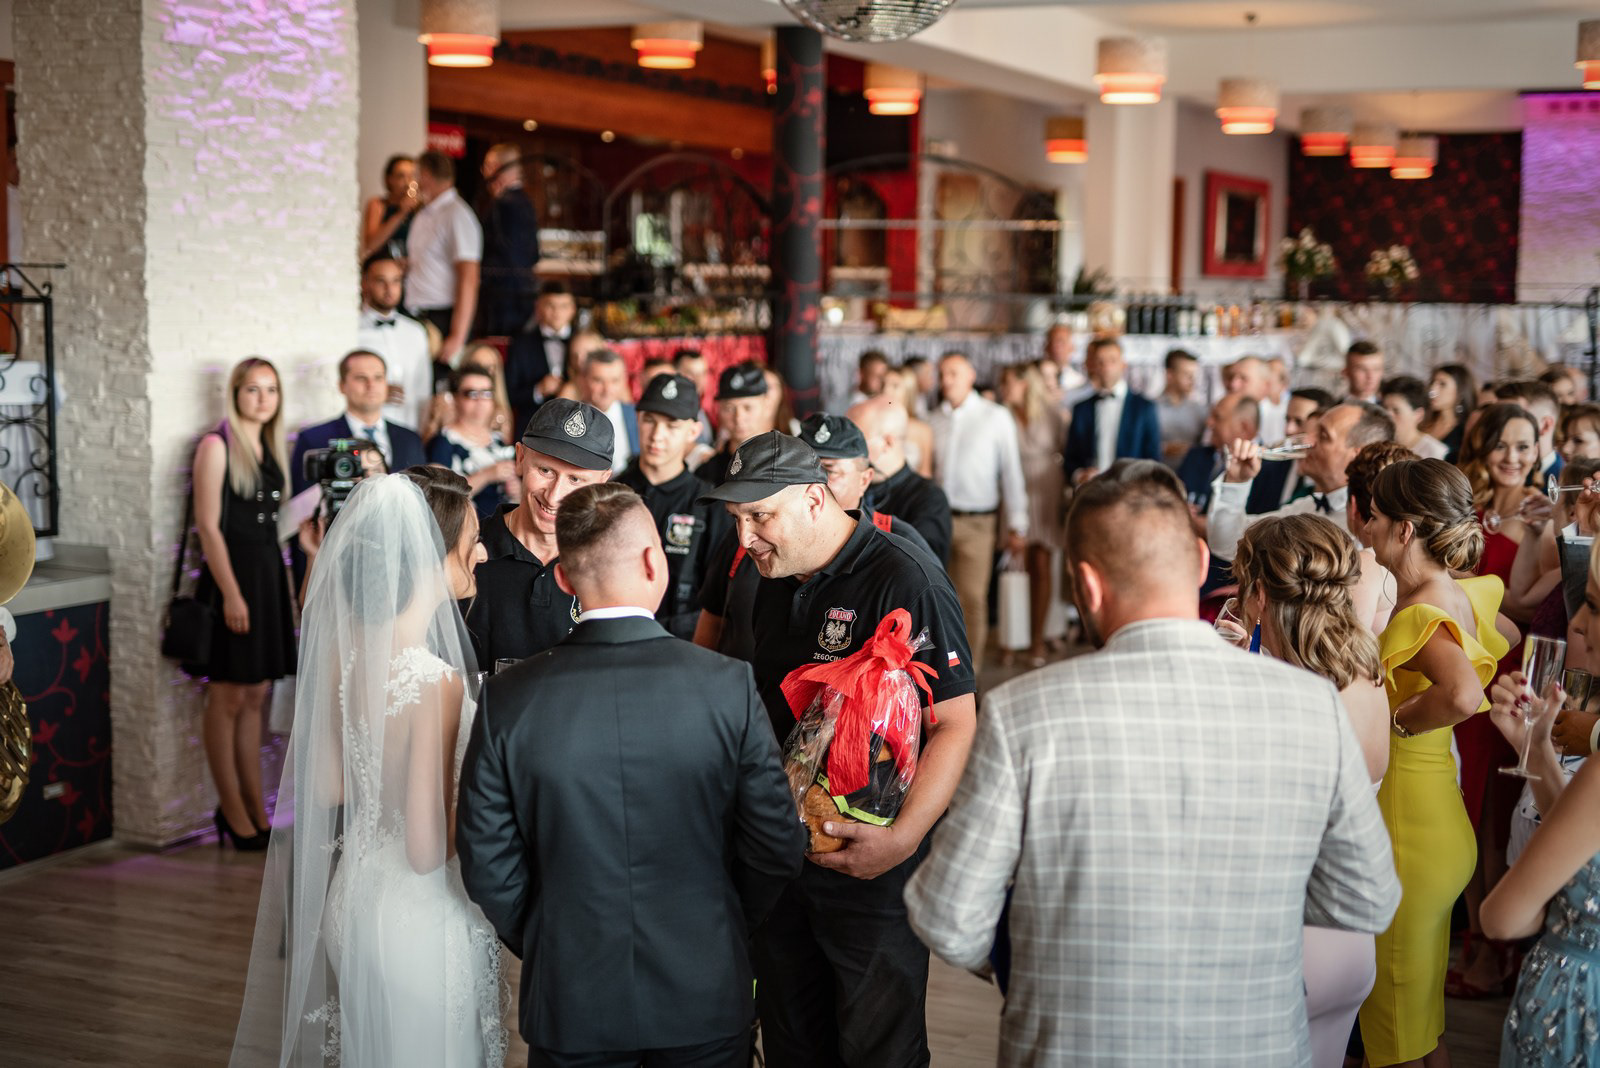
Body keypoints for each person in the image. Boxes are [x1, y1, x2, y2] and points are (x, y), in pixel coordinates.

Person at [904, 461, 1400, 1067]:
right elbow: (1368, 898)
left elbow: (948, 917)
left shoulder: (1021, 713)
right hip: (1254, 1044)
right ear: (1201, 562)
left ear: (1086, 587)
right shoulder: (1312, 706)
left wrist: (1033, 954)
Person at [456, 482, 804, 1068]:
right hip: (703, 987)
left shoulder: (507, 698)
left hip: (572, 992)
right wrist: (718, 922)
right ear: (653, 562)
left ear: (563, 579)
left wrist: (548, 934)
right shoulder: (727, 687)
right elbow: (776, 843)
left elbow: (487, 861)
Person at [699, 431, 977, 1068]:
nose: (745, 538)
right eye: (737, 519)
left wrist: (902, 840)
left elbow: (956, 725)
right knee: (793, 1041)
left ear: (815, 499)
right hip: (782, 858)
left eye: (760, 516)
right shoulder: (774, 574)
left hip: (872, 868)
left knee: (880, 1048)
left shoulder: (905, 578)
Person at [230, 467, 502, 1068]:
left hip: (354, 895)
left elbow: (328, 786)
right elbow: (426, 851)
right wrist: (494, 808)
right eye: (473, 540)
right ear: (430, 553)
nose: (482, 553)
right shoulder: (436, 682)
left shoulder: (347, 653)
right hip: (417, 912)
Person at [1358, 458, 1515, 1068]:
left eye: (1374, 516)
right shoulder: (1460, 591)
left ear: (1404, 530)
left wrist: (1398, 722)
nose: (1365, 528)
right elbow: (1505, 633)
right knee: (1420, 1030)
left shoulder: (1422, 611)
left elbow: (1463, 695)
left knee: (1394, 1038)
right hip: (1440, 823)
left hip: (1407, 836)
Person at [1231, 514, 1390, 1068]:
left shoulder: (1280, 696)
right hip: (1350, 939)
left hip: (1285, 938)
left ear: (1258, 596)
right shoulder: (1367, 671)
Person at [1481, 539, 1600, 1067]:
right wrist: (1535, 749)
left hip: (1576, 1007)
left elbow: (1503, 920)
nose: (1579, 624)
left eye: (1592, 605)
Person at [1453, 401, 1544, 996]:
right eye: (1501, 444)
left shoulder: (1541, 513)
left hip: (1510, 671)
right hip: (1464, 664)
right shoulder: (1469, 508)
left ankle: (1495, 954)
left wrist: (1468, 586)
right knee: (1467, 807)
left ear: (1538, 450)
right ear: (1482, 448)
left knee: (1494, 815)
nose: (1512, 456)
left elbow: (1531, 605)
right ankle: (1473, 938)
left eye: (1524, 445)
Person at [190, 357, 296, 851]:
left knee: (256, 695)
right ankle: (232, 812)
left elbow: (271, 524)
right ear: (235, 393)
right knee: (227, 697)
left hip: (266, 578)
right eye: (253, 389)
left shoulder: (271, 447)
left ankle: (256, 808)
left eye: (271, 389)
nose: (262, 398)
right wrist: (231, 593)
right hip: (233, 581)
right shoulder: (216, 446)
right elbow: (208, 527)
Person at [465, 398, 613, 666]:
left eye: (575, 479)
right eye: (545, 470)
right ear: (520, 458)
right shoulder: (466, 552)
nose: (554, 496)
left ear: (602, 483)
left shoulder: (610, 563)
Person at [930, 352, 1029, 671]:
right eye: (942, 374)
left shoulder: (995, 416)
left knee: (972, 599)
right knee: (937, 598)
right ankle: (942, 672)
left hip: (979, 522)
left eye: (954, 373)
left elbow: (1011, 473)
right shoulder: (934, 419)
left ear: (971, 375)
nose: (946, 380)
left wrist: (1018, 524)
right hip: (938, 521)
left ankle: (968, 677)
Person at [615, 373, 729, 639]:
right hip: (616, 637)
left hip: (683, 642)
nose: (657, 435)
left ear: (693, 431)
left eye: (672, 425)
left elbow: (719, 600)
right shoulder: (611, 493)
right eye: (649, 420)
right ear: (637, 419)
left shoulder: (709, 504)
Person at [1208, 402, 1395, 562]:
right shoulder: (1306, 506)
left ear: (1357, 455)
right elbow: (1227, 544)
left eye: (1323, 436)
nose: (1307, 440)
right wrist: (1237, 481)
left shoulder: (1368, 528)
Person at [999, 362, 1068, 665]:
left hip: (1046, 490)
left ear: (1024, 383)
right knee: (1015, 565)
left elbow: (1067, 450)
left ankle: (1037, 638)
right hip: (1013, 489)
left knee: (1042, 564)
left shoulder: (1052, 412)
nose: (1004, 388)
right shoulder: (1001, 415)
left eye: (1008, 382)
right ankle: (1012, 638)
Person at [796, 413, 935, 559]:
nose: (811, 482)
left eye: (829, 471)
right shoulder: (783, 531)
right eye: (802, 468)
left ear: (864, 480)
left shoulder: (897, 544)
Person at [290, 350, 427, 496]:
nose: (371, 385)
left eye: (378, 377)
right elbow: (301, 501)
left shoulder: (410, 439)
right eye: (361, 378)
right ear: (342, 385)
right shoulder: (312, 439)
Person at [848, 394, 952, 566]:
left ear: (887, 443)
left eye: (854, 442)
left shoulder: (929, 499)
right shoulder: (844, 487)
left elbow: (923, 568)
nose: (843, 450)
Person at [405, 150, 482, 366]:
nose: (414, 182)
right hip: (416, 313)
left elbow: (469, 277)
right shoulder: (424, 213)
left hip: (443, 317)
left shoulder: (457, 215)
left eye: (416, 175)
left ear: (426, 175)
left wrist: (457, 335)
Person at [1062, 337, 1163, 483]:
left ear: (1123, 364)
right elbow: (1071, 459)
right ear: (1093, 366)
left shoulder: (1144, 408)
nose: (1106, 367)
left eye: (1112, 361)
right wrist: (1080, 475)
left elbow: (1153, 459)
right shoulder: (1081, 409)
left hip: (1131, 490)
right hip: (1091, 489)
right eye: (1100, 362)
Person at [426, 364, 519, 519]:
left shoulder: (499, 441)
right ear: (455, 398)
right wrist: (487, 475)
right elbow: (441, 497)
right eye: (472, 393)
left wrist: (517, 490)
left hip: (502, 524)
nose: (481, 400)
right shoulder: (443, 441)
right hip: (466, 526)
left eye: (487, 393)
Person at [356, 253, 434, 432]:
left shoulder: (416, 332)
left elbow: (424, 388)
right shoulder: (353, 331)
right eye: (381, 281)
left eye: (396, 281)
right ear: (365, 283)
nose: (389, 289)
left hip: (411, 429)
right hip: (366, 430)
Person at [1344, 441, 1415, 635]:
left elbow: (1344, 648)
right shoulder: (1429, 564)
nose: (1368, 526)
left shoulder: (1366, 564)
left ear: (1353, 506)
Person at [475, 143, 541, 338]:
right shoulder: (523, 201)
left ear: (496, 168)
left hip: (503, 295)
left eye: (486, 167)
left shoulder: (506, 204)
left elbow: (508, 253)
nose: (484, 173)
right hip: (519, 290)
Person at [503, 281, 578, 434]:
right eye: (550, 305)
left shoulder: (583, 341)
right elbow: (507, 394)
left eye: (564, 306)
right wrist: (538, 390)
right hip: (532, 425)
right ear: (538, 307)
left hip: (577, 424)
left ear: (573, 309)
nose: (557, 312)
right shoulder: (521, 344)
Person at [1175, 392, 1260, 514]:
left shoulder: (1266, 470)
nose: (1208, 422)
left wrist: (1200, 520)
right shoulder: (1195, 455)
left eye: (1217, 417)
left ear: (1244, 428)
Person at [696, 361, 772, 486]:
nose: (739, 418)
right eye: (729, 408)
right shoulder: (707, 473)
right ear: (719, 409)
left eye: (748, 407)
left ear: (766, 405)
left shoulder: (784, 463)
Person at [578, 347, 638, 475]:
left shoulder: (638, 415)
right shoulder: (572, 419)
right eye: (598, 380)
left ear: (624, 380)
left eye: (614, 380)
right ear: (583, 379)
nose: (607, 389)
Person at [1495, 379, 1564, 487]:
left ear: (1545, 426)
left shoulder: (1566, 483)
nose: (1498, 427)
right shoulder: (1494, 472)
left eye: (1513, 417)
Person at [360, 153, 418, 260]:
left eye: (412, 176)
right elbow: (371, 246)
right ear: (390, 179)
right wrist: (401, 213)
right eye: (401, 176)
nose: (407, 182)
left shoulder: (420, 208)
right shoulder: (378, 204)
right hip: (382, 262)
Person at [883, 364, 936, 477]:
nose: (886, 391)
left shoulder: (923, 430)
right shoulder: (872, 423)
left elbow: (925, 473)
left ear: (908, 391)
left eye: (895, 386)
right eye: (884, 385)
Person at [1380, 375, 1449, 461]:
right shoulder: (1379, 444)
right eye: (1384, 408)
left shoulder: (1436, 453)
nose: (1387, 415)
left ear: (1418, 415)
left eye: (1396, 410)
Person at [1155, 348, 1206, 463]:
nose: (1192, 380)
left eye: (1194, 375)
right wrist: (1164, 448)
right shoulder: (1149, 410)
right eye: (1187, 374)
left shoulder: (1201, 411)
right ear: (1170, 375)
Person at [1420, 363, 1477, 464]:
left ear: (1460, 391)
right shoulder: (1421, 421)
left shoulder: (1465, 431)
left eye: (1442, 384)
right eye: (1432, 382)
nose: (1432, 390)